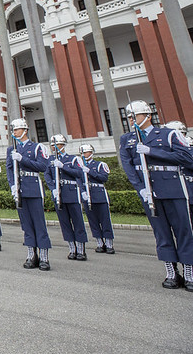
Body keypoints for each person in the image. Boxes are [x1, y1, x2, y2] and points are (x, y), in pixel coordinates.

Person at [120, 101, 193, 290]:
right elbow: (128, 167)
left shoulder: (168, 134)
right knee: (161, 232)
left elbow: (186, 158)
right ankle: (171, 271)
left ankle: (189, 272)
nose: (130, 120)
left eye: (133, 116)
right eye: (128, 117)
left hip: (173, 188)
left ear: (147, 116)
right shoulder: (127, 139)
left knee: (183, 230)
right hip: (149, 192)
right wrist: (140, 188)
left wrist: (152, 151)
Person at [7, 118, 51, 271]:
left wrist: (22, 159)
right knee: (26, 224)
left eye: (17, 129)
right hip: (20, 189)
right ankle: (31, 254)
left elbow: (43, 166)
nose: (14, 132)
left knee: (39, 223)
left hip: (33, 187)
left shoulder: (37, 147)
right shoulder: (11, 149)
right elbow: (9, 169)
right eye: (13, 130)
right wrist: (12, 185)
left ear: (25, 130)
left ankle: (44, 257)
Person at [45, 134, 89, 261]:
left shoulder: (73, 159)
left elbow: (79, 173)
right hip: (59, 193)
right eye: (52, 145)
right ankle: (72, 248)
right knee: (64, 223)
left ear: (62, 145)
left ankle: (81, 249)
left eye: (56, 145)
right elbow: (47, 175)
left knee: (77, 221)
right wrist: (52, 188)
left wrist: (63, 167)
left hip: (71, 192)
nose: (54, 147)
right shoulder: (50, 160)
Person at [77, 144, 114, 254]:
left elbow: (104, 178)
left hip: (99, 194)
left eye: (86, 152)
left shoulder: (99, 165)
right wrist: (82, 191)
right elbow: (79, 180)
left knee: (105, 220)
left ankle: (109, 243)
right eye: (82, 153)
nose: (84, 155)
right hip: (88, 196)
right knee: (93, 220)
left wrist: (90, 171)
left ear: (91, 152)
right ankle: (99, 242)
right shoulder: (80, 166)